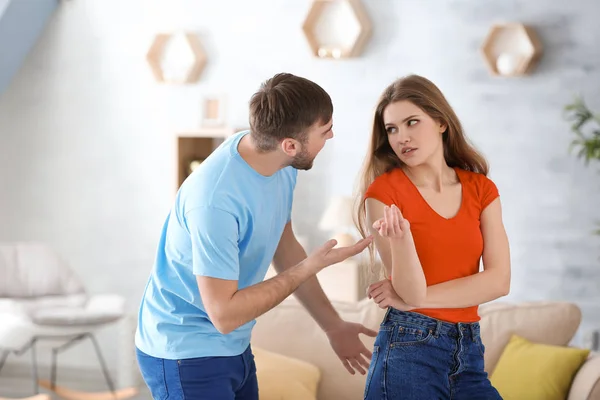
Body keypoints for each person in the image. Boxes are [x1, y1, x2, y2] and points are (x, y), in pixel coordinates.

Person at [134, 72, 376, 400]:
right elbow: (224, 314)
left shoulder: (281, 165)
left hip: (234, 344)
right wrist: (310, 266)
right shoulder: (215, 200)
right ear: (290, 145)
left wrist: (334, 326)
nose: (331, 136)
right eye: (325, 130)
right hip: (184, 351)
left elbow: (285, 245)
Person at [355, 74, 511, 399]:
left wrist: (413, 298)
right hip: (408, 348)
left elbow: (498, 281)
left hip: (469, 348)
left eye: (412, 122)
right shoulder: (383, 194)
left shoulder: (481, 189)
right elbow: (409, 292)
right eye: (392, 129)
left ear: (440, 121)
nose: (402, 138)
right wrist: (403, 241)